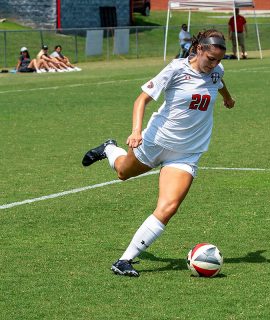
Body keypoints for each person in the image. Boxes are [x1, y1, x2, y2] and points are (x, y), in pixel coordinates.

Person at [81, 29, 235, 277]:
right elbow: (141, 100)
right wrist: (135, 132)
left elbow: (219, 81)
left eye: (219, 60)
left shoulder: (216, 71)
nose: (214, 65)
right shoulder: (176, 69)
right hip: (155, 141)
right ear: (198, 50)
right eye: (211, 59)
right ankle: (109, 147)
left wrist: (228, 98)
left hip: (186, 154)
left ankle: (124, 260)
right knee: (122, 172)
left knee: (169, 206)